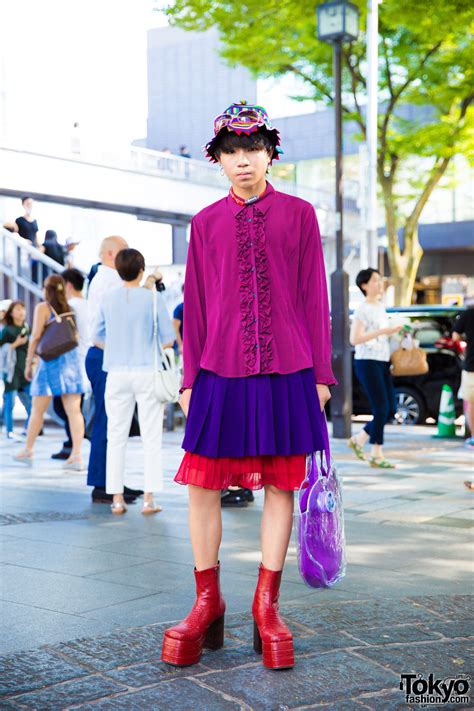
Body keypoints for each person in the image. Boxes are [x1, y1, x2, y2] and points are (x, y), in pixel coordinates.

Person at [161, 101, 335, 670]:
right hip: (219, 372)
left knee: (282, 485)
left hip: (289, 369)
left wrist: (322, 375)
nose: (243, 161)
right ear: (218, 159)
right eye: (232, 152)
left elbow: (314, 298)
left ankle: (268, 607)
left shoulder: (301, 214)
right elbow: (198, 305)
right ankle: (206, 601)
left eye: (252, 149)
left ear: (270, 153)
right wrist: (189, 379)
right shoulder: (205, 222)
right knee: (202, 486)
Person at [94, 249, 175, 515]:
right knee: (151, 435)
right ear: (141, 270)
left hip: (116, 372)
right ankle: (149, 498)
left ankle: (116, 498)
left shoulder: (108, 298)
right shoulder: (153, 300)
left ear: (118, 271)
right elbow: (167, 339)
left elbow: (97, 338)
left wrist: (117, 347)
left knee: (115, 435)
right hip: (146, 371)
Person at [86, 236, 143, 504]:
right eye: (124, 252)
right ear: (111, 254)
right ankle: (103, 484)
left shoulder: (103, 278)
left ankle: (111, 482)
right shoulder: (109, 279)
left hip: (104, 355)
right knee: (108, 421)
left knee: (113, 421)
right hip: (105, 356)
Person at [13, 275, 85, 469]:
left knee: (37, 408)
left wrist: (29, 362)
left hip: (50, 362)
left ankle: (28, 449)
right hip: (71, 361)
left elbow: (35, 336)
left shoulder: (43, 308)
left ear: (47, 289)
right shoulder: (70, 308)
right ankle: (77, 455)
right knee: (74, 410)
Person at [348, 268, 403, 468]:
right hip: (367, 361)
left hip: (382, 361)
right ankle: (376, 454)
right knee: (380, 407)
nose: (379, 284)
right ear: (364, 285)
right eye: (375, 281)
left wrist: (397, 333)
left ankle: (359, 439)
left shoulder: (380, 306)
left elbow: (383, 335)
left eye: (380, 280)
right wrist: (383, 330)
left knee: (390, 409)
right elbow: (354, 339)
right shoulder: (362, 309)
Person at [51, 268, 90, 460]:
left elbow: (62, 336)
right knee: (72, 408)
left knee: (66, 408)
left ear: (68, 285)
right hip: (88, 361)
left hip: (72, 363)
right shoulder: (91, 305)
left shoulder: (70, 306)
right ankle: (74, 443)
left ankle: (75, 446)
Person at [1, 301, 31, 439]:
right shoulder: (7, 330)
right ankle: (10, 431)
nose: (21, 312)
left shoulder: (26, 327)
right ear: (11, 313)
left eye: (23, 309)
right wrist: (15, 344)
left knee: (31, 402)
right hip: (11, 372)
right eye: (18, 309)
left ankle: (28, 429)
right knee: (10, 403)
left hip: (25, 371)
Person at [452, 303, 474, 450]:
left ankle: (473, 436)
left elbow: (455, 336)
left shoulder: (468, 313)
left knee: (471, 403)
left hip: (471, 364)